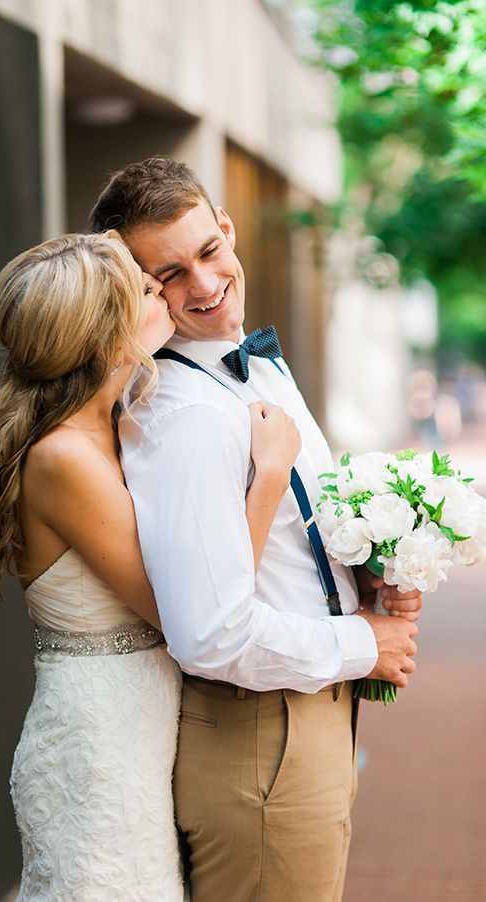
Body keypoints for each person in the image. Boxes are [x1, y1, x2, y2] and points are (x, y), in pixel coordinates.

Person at [88, 158, 422, 902]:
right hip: (262, 739)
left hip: (299, 722)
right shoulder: (186, 417)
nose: (204, 287)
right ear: (136, 290)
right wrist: (367, 641)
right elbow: (208, 633)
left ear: (228, 229)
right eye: (169, 275)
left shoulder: (253, 368)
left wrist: (361, 572)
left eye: (208, 252)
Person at [0, 231, 301, 900]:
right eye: (146, 288)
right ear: (104, 338)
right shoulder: (63, 458)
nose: (164, 289)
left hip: (142, 731)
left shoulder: (117, 426)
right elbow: (185, 612)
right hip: (99, 750)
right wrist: (270, 478)